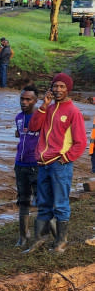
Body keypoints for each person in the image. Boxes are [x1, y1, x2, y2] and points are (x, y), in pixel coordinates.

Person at [25, 73, 87, 253]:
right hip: (43, 164)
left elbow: (81, 142)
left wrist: (65, 158)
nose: (58, 90)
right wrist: (43, 105)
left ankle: (61, 243)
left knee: (60, 203)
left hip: (60, 165)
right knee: (43, 203)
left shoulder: (73, 112)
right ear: (50, 88)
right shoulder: (49, 109)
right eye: (55, 86)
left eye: (62, 86)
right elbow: (34, 127)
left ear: (68, 89)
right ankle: (40, 240)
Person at [14, 86, 40, 247]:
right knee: (23, 201)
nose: (24, 102)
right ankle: (23, 237)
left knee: (42, 202)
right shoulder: (18, 118)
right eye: (22, 99)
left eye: (28, 99)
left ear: (36, 101)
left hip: (37, 166)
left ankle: (44, 236)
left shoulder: (41, 118)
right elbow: (19, 135)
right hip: (20, 165)